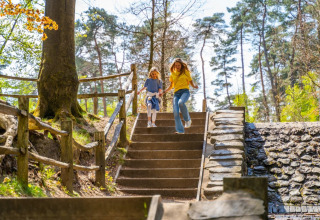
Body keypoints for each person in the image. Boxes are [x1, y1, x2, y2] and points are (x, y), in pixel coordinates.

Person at [162, 58, 198, 134]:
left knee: (181, 103)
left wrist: (194, 86)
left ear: (181, 65)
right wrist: (164, 91)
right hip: (176, 93)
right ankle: (180, 131)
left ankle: (188, 120)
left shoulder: (185, 72)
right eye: (176, 65)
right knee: (175, 112)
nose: (177, 67)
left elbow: (190, 81)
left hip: (185, 91)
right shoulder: (172, 74)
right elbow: (171, 85)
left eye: (178, 65)